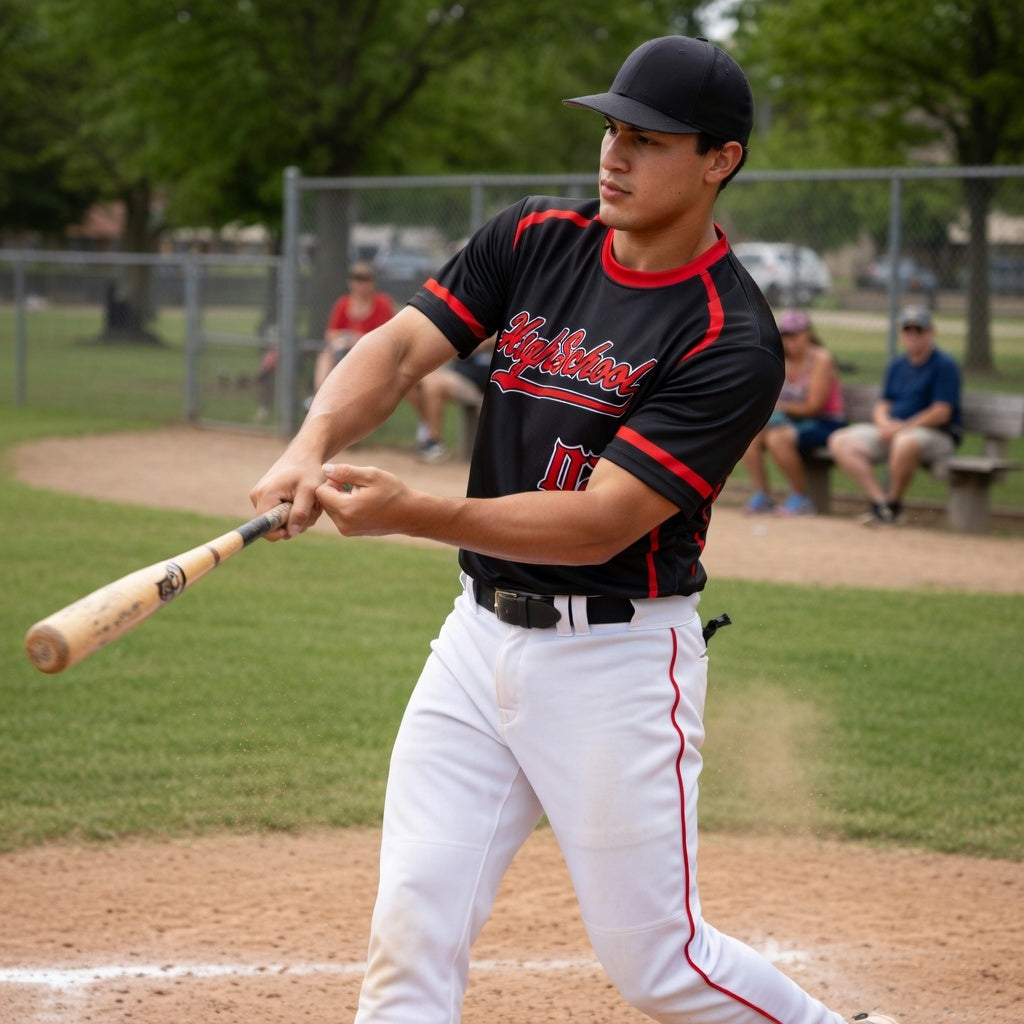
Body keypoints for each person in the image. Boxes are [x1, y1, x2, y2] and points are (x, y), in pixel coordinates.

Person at [250, 35, 899, 1024]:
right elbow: (401, 348)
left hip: (615, 662)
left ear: (719, 160)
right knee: (413, 920)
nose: (614, 155)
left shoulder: (729, 337)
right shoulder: (536, 237)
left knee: (662, 967)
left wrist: (408, 512)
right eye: (610, 130)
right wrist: (309, 444)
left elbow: (602, 521)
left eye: (648, 140)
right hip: (474, 642)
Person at [828, 304, 961, 525]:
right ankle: (881, 504)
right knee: (839, 440)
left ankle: (894, 503)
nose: (913, 334)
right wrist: (883, 424)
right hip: (895, 430)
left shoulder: (944, 365)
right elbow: (883, 404)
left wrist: (902, 427)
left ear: (931, 332)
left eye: (919, 329)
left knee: (905, 441)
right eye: (908, 329)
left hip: (936, 435)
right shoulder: (898, 365)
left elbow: (941, 413)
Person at [742, 308, 846, 515]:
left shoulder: (821, 358)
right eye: (786, 336)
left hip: (824, 422)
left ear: (808, 334)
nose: (790, 341)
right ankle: (763, 495)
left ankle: (801, 497)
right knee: (749, 435)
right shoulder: (781, 358)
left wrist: (780, 408)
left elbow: (814, 407)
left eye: (795, 335)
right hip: (791, 421)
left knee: (777, 438)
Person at [409, 337, 496, 463]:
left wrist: (486, 340)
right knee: (413, 381)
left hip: (481, 386)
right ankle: (427, 429)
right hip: (461, 374)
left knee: (434, 384)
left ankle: (434, 442)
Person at [312, 262, 395, 393]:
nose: (360, 284)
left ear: (372, 282)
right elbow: (330, 333)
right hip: (344, 351)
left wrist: (357, 339)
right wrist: (347, 337)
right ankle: (320, 394)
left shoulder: (382, 303)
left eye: (364, 279)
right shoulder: (343, 303)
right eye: (356, 279)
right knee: (326, 355)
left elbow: (386, 335)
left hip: (371, 353)